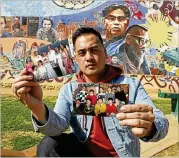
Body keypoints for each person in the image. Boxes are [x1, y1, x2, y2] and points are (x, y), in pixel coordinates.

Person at [12, 27, 168, 157]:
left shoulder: (131, 85)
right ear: (75, 58)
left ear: (105, 53)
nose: (89, 57)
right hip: (83, 153)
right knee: (49, 144)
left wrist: (150, 127)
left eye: (94, 50)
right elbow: (57, 127)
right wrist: (35, 105)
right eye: (82, 53)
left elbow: (161, 121)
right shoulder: (69, 89)